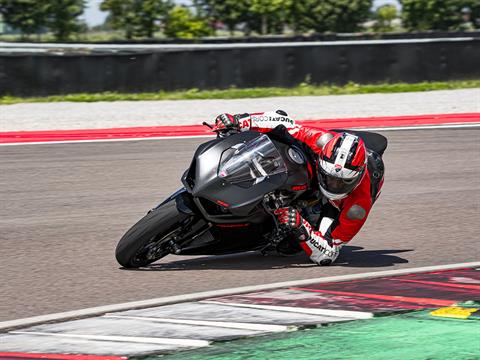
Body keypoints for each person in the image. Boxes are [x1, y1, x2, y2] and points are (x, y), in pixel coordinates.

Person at [212, 110, 387, 266]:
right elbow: (285, 123)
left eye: (341, 182)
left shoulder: (357, 207)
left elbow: (328, 254)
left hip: (336, 204)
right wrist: (239, 121)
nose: (333, 185)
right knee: (280, 128)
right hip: (317, 164)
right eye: (330, 179)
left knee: (288, 246)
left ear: (355, 179)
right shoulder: (323, 141)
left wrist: (301, 226)